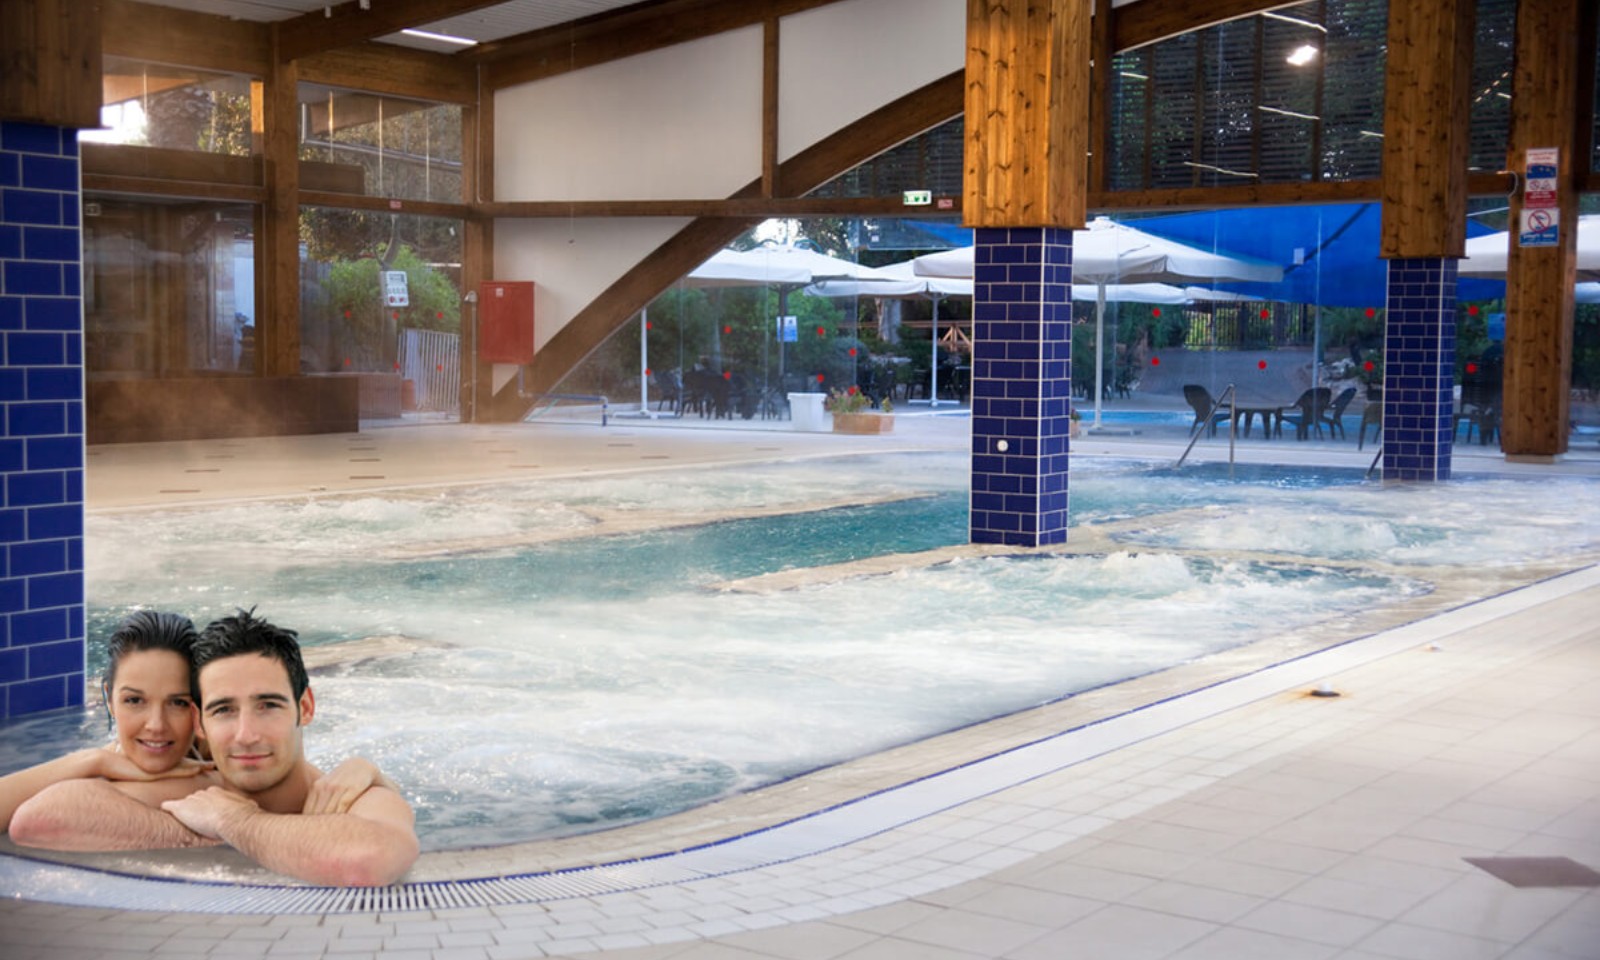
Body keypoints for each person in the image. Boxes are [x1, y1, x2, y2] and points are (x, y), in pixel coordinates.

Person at [11, 610, 417, 887]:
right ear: (200, 722)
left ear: (305, 707)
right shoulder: (191, 788)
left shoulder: (352, 794)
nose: (246, 734)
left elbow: (368, 859)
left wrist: (237, 824)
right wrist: (203, 832)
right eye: (223, 709)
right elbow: (39, 818)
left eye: (268, 705)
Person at [1, 611, 210, 834]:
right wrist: (94, 760)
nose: (156, 725)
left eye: (177, 702)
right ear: (110, 700)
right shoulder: (108, 758)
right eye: (134, 700)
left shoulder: (224, 764)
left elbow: (39, 818)